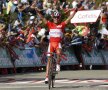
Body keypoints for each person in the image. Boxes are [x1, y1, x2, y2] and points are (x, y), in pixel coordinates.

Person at [35, 7, 77, 84]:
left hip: (58, 44)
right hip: (51, 44)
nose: (56, 19)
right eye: (55, 17)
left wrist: (75, 11)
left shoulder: (62, 25)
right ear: (53, 18)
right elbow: (42, 18)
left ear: (59, 18)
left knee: (59, 52)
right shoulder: (50, 24)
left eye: (57, 17)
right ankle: (47, 77)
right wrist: (37, 12)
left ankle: (57, 64)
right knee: (49, 61)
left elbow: (69, 18)